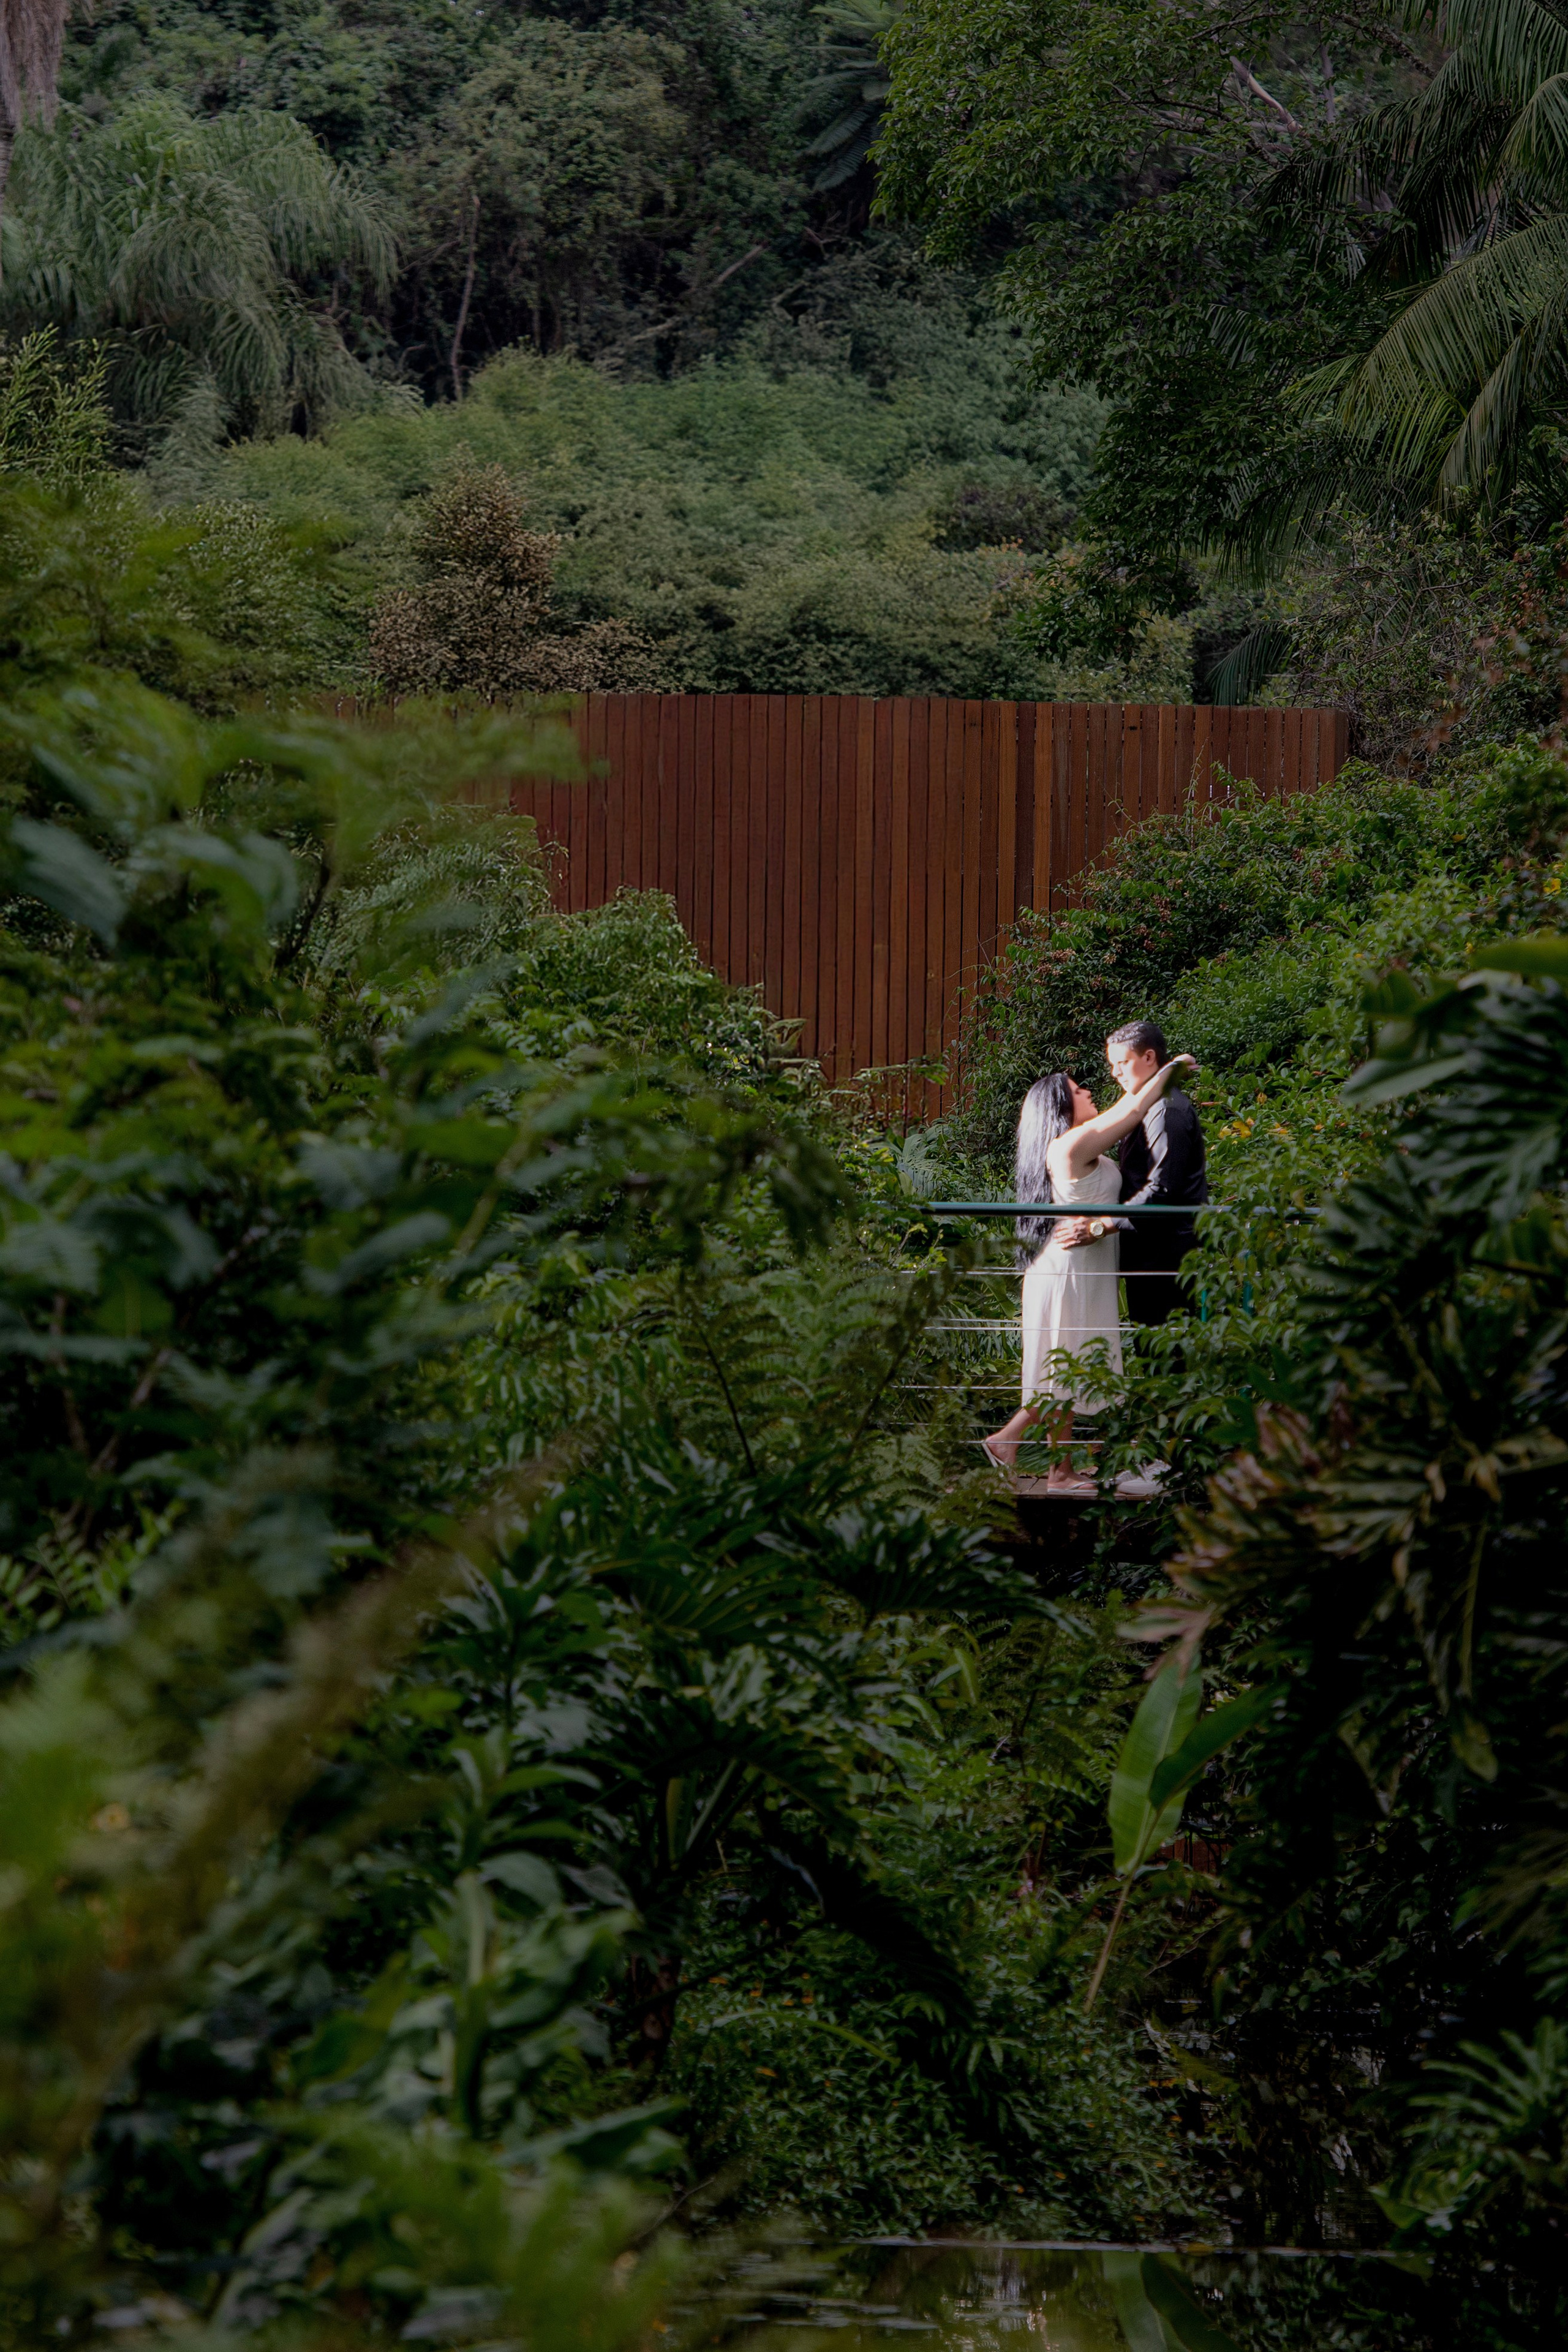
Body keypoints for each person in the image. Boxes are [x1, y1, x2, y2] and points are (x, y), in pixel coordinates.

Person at [982, 1050, 1198, 1491]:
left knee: (1070, 1364)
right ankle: (1012, 1441)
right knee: (1065, 1365)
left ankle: (1054, 1470)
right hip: (1068, 1273)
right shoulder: (1069, 1146)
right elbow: (1134, 1109)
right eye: (1078, 1090)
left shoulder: (1085, 1148)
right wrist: (1166, 1074)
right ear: (1060, 1109)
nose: (1089, 1091)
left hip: (1084, 1271)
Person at [1102, 1018, 1208, 1326]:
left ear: (1149, 1057)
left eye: (1122, 1062)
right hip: (1153, 1250)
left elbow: (1162, 1189)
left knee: (1167, 1350)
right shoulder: (1149, 1104)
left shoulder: (1165, 1110)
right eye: (1113, 1064)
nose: (1115, 1073)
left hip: (1166, 1254)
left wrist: (1105, 1223)